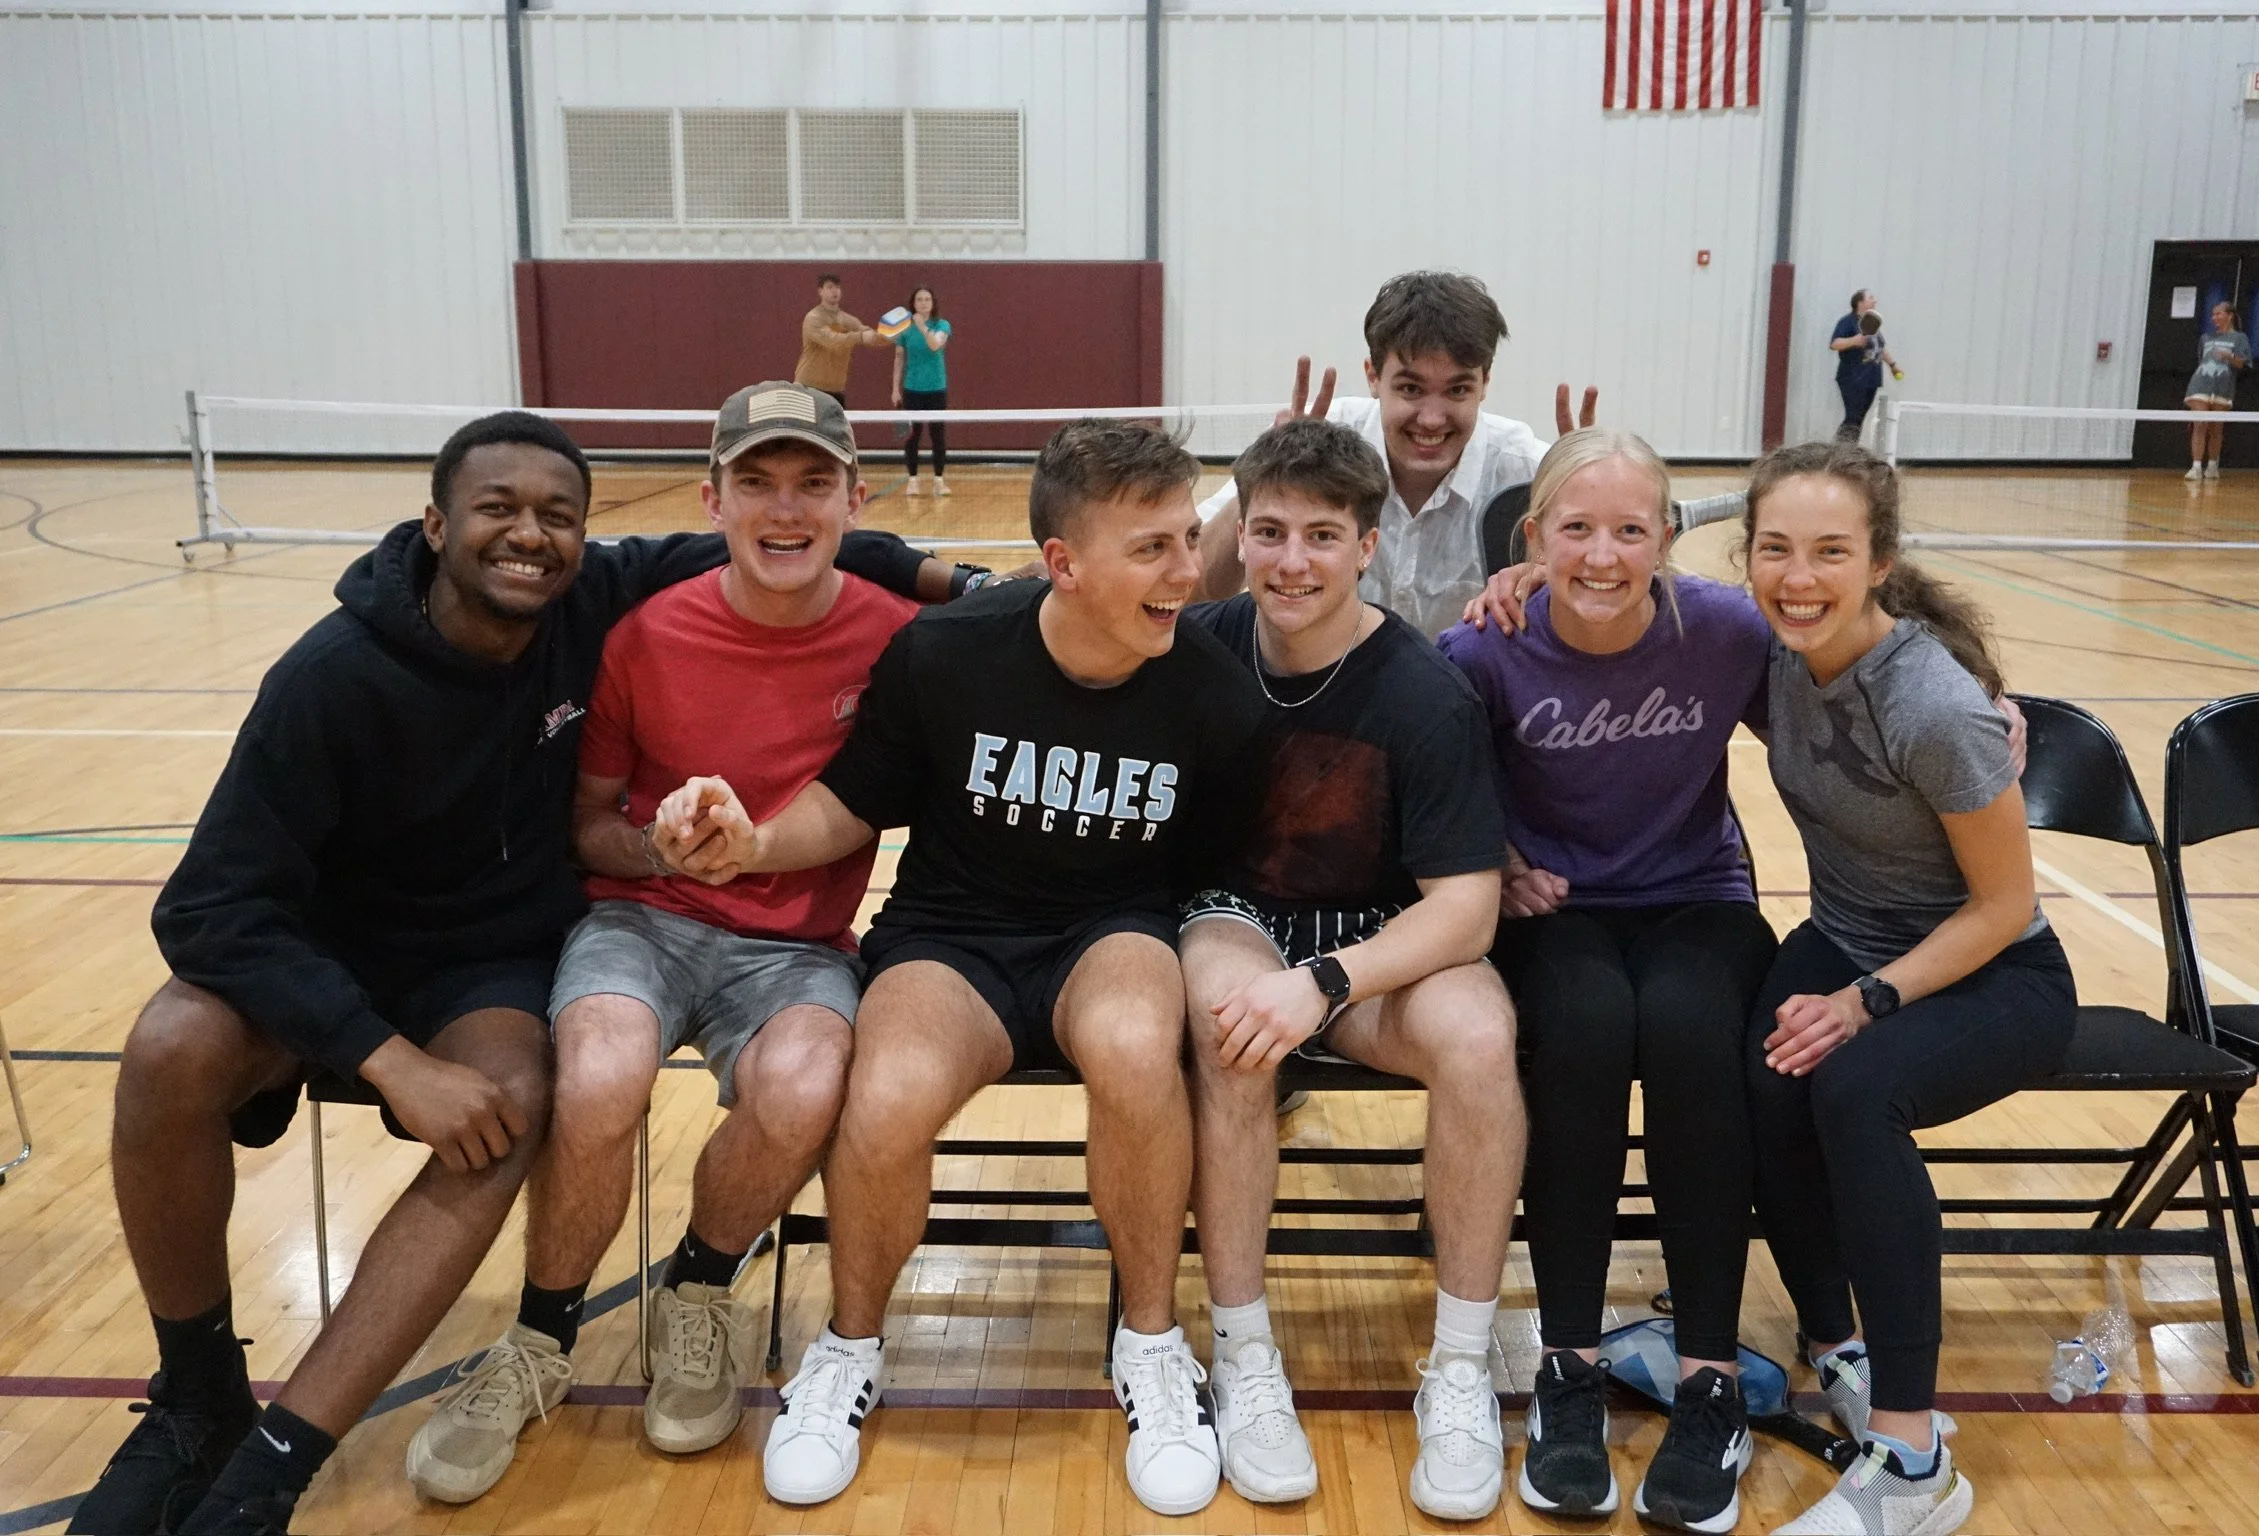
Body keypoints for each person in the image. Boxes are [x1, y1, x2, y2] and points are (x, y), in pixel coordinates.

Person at [73, 411, 935, 1536]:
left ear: (586, 535)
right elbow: (204, 909)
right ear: (434, 524)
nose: (529, 537)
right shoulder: (331, 677)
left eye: (556, 517)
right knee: (171, 1043)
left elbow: (805, 549)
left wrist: (953, 570)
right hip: (336, 954)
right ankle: (199, 1396)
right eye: (496, 511)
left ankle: (269, 1471)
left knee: (518, 1101)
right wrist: (381, 1058)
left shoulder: (590, 597)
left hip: (490, 960)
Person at [649, 418, 1267, 1518]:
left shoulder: (1210, 692)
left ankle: (1152, 1345)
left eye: (1188, 539)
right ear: (1063, 564)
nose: (1190, 571)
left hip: (1111, 929)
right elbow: (849, 807)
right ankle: (848, 1347)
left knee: (1134, 1046)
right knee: (882, 1095)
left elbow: (1219, 875)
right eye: (1156, 549)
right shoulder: (949, 654)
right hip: (952, 936)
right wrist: (756, 844)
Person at [401, 385, 919, 1501]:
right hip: (643, 920)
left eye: (813, 483)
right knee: (597, 1071)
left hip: (801, 944)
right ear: (713, 498)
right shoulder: (646, 635)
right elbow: (590, 825)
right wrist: (664, 851)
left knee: (806, 1081)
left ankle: (698, 1287)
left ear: (854, 499)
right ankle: (538, 1340)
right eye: (758, 484)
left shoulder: (900, 639)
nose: (786, 510)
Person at [1178, 417, 1521, 1520]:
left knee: (1479, 1035)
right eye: (1268, 531)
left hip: (1375, 943)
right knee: (1232, 1019)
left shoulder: (1422, 693)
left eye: (1321, 536)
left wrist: (1328, 981)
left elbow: (1467, 908)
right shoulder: (1196, 649)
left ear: (1367, 546)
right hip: (1235, 916)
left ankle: (1462, 1365)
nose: (1290, 561)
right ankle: (1243, 1352)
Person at [1438, 428, 1781, 1533]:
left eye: (1631, 530)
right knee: (1583, 1028)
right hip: (1558, 913)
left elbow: (1851, 688)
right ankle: (1569, 1370)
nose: (1601, 555)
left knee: (1689, 1031)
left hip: (1699, 902)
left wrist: (1983, 699)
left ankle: (1709, 1379)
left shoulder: (1725, 633)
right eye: (1575, 529)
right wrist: (1493, 860)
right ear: (1531, 538)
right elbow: (1432, 788)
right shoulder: (1484, 647)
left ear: (1667, 541)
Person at [1741, 439, 2073, 1536]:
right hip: (1848, 936)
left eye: (1830, 551)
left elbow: (1999, 907)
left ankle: (1915, 1454)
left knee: (1848, 1091)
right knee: (1761, 1067)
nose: (1799, 576)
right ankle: (1838, 1345)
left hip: (1993, 972)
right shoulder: (1774, 654)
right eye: (1776, 549)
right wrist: (1517, 574)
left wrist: (1865, 1003)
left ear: (1879, 560)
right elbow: (1635, 573)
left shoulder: (1932, 704)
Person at [1194, 270, 1595, 640]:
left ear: (1485, 382)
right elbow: (1197, 590)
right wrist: (1265, 481)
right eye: (1411, 389)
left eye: (1457, 390)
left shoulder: (1532, 471)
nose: (1432, 419)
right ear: (1373, 376)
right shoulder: (1314, 443)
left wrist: (1596, 497)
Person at [890, 285, 953, 497]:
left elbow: (935, 346)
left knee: (937, 434)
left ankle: (939, 480)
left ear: (933, 303)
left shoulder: (942, 325)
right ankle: (913, 480)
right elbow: (899, 358)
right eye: (919, 299)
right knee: (913, 436)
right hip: (912, 388)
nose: (924, 303)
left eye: (927, 299)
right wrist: (895, 389)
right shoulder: (905, 329)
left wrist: (923, 326)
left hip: (936, 388)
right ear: (913, 303)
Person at [793, 274, 892, 406]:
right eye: (830, 287)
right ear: (820, 291)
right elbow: (832, 341)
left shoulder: (849, 320)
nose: (835, 291)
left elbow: (871, 337)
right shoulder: (813, 318)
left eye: (838, 287)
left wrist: (890, 335)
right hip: (808, 387)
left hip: (836, 389)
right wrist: (860, 336)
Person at [2184, 300, 2252, 482]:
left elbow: (2241, 363)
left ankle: (2212, 465)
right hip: (2201, 384)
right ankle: (2196, 466)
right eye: (2213, 314)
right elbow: (2201, 361)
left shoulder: (2239, 339)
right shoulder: (2206, 338)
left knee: (2216, 428)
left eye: (2218, 314)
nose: (2214, 318)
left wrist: (2228, 356)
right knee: (2199, 424)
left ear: (2229, 316)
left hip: (2223, 387)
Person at [1829, 292, 1898, 444]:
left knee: (1859, 418)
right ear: (1859, 303)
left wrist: (1893, 365)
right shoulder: (1847, 322)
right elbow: (1834, 344)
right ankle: (1840, 452)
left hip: (1871, 379)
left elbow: (1879, 348)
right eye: (1871, 298)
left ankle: (1848, 452)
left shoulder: (1872, 324)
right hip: (1852, 378)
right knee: (1853, 417)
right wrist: (1854, 340)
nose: (1875, 300)